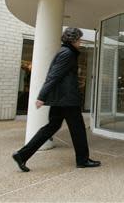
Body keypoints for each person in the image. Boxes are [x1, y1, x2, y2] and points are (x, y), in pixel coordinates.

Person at [12, 28, 101, 172]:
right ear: (73, 40)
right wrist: (42, 96)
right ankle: (83, 160)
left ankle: (22, 155)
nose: (80, 41)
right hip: (67, 100)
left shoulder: (65, 52)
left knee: (51, 127)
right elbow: (53, 76)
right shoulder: (67, 53)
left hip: (61, 100)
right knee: (78, 130)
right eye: (79, 39)